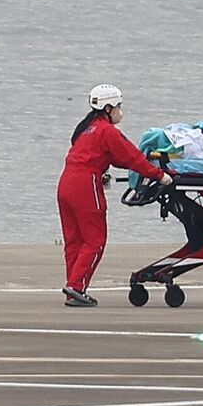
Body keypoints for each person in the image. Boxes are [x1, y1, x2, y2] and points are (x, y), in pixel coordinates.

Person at [58, 85, 172, 307]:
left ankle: (73, 288)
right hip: (86, 186)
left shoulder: (87, 129)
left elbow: (114, 157)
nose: (120, 110)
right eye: (118, 106)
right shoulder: (107, 131)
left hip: (66, 184)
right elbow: (133, 158)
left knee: (75, 241)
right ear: (108, 107)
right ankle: (76, 287)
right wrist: (160, 176)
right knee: (95, 240)